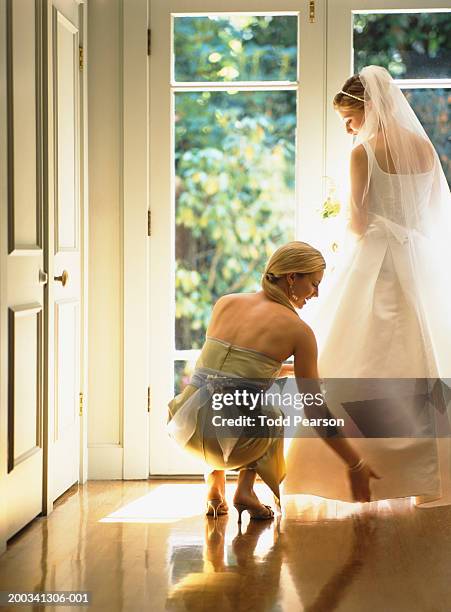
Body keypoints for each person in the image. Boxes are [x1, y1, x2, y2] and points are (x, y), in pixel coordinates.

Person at [284, 66, 451, 505]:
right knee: (423, 358)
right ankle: (426, 475)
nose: (348, 129)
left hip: (376, 262)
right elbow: (433, 211)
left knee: (360, 358)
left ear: (369, 109)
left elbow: (357, 222)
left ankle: (350, 472)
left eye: (350, 120)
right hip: (418, 262)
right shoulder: (426, 151)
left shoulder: (363, 153)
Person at [168, 241, 380, 523]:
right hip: (233, 445)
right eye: (314, 284)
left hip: (185, 426)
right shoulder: (299, 331)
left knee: (220, 399)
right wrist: (355, 463)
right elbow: (315, 411)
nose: (316, 294)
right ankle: (245, 491)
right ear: (292, 277)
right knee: (270, 414)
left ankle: (215, 487)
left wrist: (284, 370)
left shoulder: (226, 303)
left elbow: (223, 370)